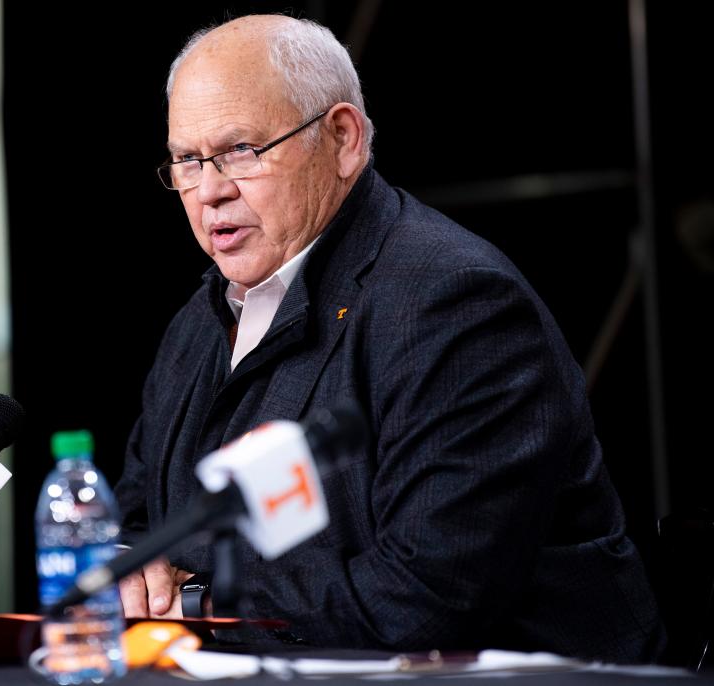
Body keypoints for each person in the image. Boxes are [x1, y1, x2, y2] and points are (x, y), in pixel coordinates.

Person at [113, 14, 665, 661]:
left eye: (241, 150)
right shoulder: (200, 318)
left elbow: (425, 598)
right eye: (187, 160)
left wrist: (202, 598)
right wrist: (129, 566)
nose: (210, 190)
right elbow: (140, 516)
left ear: (343, 137)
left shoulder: (457, 303)